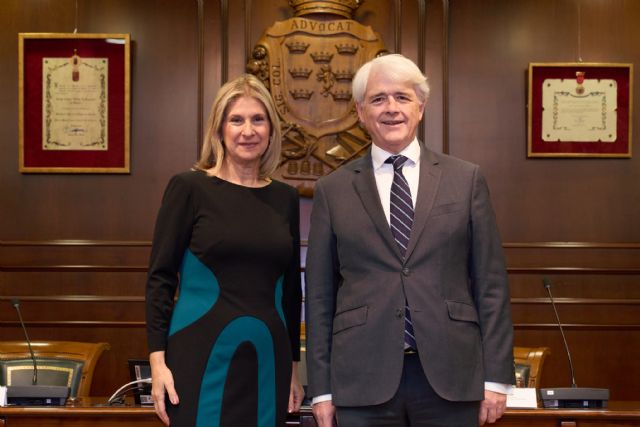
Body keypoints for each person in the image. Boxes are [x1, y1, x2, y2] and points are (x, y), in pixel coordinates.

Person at [305, 54, 515, 427]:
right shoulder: (332, 189)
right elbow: (320, 296)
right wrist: (321, 389)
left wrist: (496, 378)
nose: (391, 108)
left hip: (452, 376)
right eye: (378, 99)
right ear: (360, 111)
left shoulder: (465, 180)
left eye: (402, 97)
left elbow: (491, 284)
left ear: (421, 106)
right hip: (361, 379)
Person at [145, 74, 304, 427]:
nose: (248, 130)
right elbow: (160, 278)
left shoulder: (285, 198)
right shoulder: (189, 188)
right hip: (198, 357)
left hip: (268, 359)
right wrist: (157, 363)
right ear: (219, 129)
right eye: (236, 120)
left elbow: (292, 290)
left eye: (258, 119)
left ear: (271, 130)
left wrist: (294, 367)